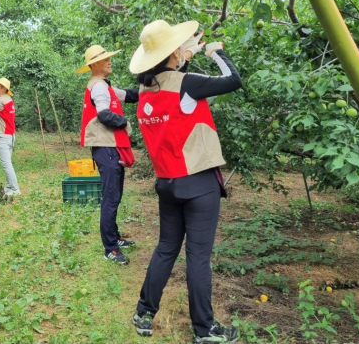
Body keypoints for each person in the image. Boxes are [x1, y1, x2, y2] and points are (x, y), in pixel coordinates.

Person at [128, 20, 242, 343]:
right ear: (173, 54)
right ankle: (205, 330)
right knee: (197, 257)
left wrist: (186, 52)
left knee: (166, 248)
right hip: (198, 183)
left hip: (168, 183)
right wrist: (215, 52)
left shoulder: (146, 93)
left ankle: (143, 313)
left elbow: (173, 82)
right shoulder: (187, 84)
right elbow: (233, 80)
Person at [77, 45, 139, 265]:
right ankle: (110, 248)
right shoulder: (98, 87)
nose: (109, 61)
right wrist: (125, 123)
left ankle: (115, 237)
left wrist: (152, 89)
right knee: (111, 197)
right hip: (106, 147)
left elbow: (130, 95)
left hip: (110, 146)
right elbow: (104, 115)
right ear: (94, 65)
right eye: (105, 59)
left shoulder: (104, 86)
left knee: (115, 195)